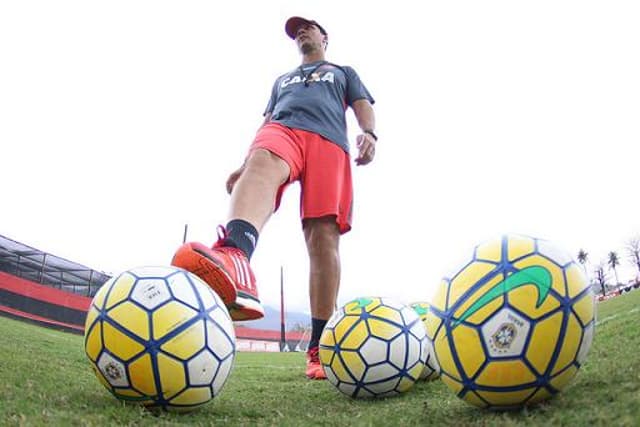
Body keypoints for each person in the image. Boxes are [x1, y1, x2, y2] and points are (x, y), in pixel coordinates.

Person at [172, 16, 376, 380]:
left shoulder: (342, 71)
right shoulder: (282, 81)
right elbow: (267, 122)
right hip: (284, 130)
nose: (301, 32)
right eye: (296, 31)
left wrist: (369, 133)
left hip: (328, 142)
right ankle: (236, 256)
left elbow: (362, 104)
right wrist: (244, 162)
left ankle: (319, 346)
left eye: (307, 27)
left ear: (323, 36)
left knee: (321, 237)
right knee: (263, 157)